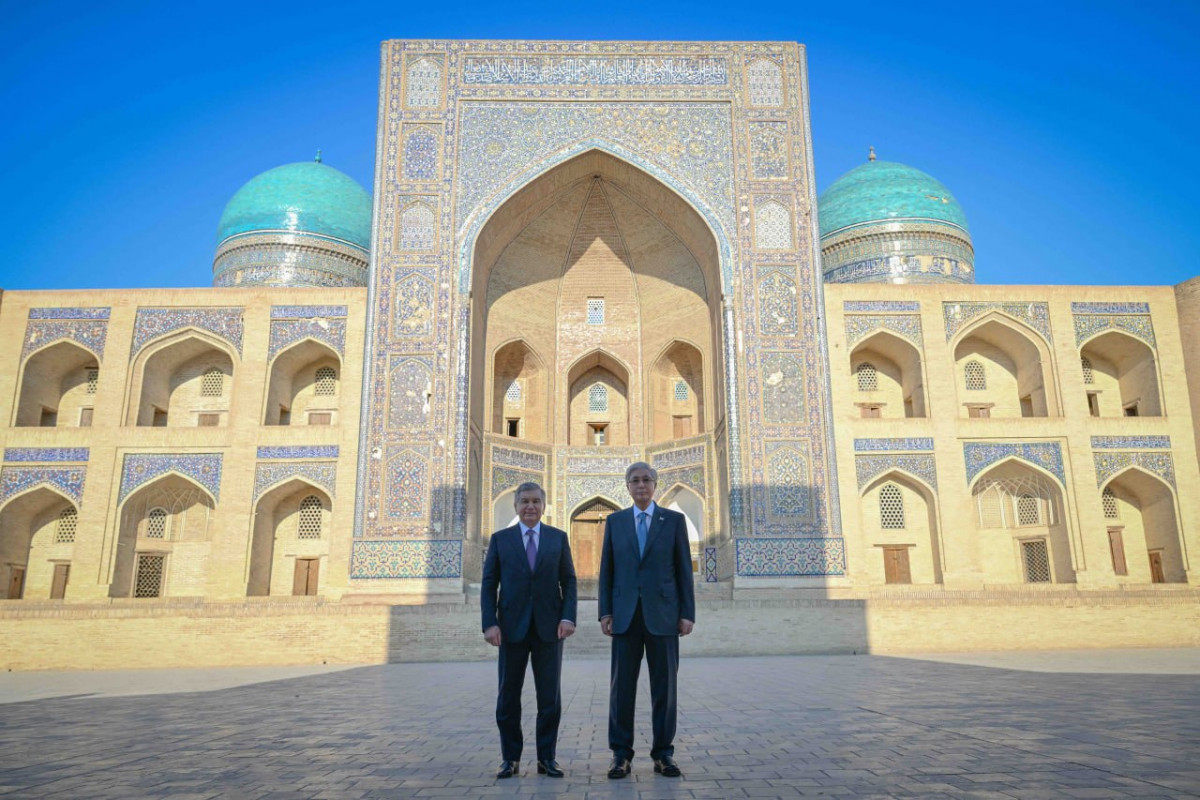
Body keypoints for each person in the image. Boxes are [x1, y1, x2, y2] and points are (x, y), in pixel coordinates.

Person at [598, 461, 696, 779]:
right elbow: (607, 570)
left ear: (655, 484)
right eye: (635, 481)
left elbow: (683, 569)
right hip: (625, 616)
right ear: (627, 486)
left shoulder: (674, 521)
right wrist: (605, 612)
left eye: (646, 480)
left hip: (663, 616)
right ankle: (620, 755)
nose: (641, 485)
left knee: (664, 688)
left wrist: (687, 613)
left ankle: (663, 754)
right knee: (621, 689)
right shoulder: (615, 521)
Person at [481, 482, 577, 779]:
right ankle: (510, 758)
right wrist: (490, 622)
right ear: (516, 506)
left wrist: (568, 617)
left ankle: (546, 758)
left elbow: (569, 580)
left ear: (544, 506)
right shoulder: (501, 539)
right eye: (524, 501)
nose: (530, 507)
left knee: (549, 698)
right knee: (508, 696)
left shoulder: (558, 538)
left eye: (536, 501)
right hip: (511, 629)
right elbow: (489, 584)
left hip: (550, 628)